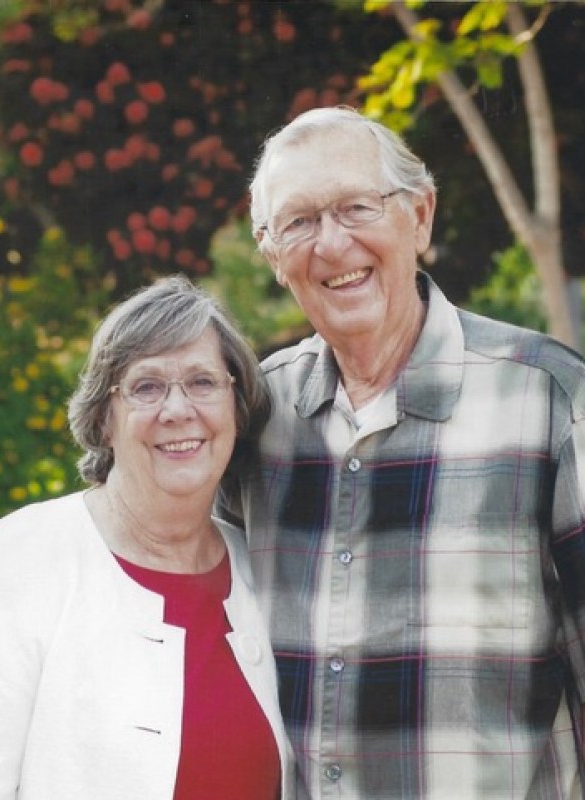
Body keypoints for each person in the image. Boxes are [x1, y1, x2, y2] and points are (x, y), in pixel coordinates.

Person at [217, 105, 585, 799]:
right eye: (299, 222)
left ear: (420, 216)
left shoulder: (549, 401)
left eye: (357, 207)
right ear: (271, 255)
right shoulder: (252, 421)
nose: (332, 244)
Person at [0, 275, 294, 800]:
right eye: (146, 387)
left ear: (236, 408)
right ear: (104, 419)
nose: (177, 410)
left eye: (202, 382)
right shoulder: (19, 560)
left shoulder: (260, 569)